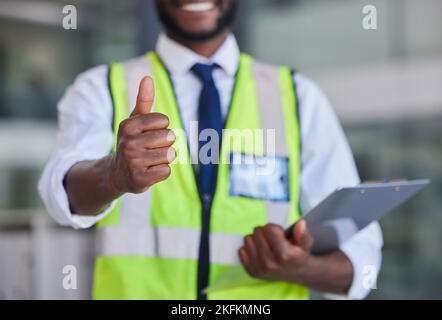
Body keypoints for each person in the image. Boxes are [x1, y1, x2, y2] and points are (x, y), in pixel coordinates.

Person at [39, 0, 383, 300]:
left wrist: (300, 267)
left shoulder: (298, 97)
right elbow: (61, 197)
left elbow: (361, 264)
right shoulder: (101, 87)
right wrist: (112, 175)